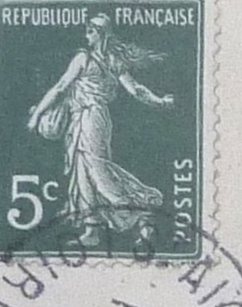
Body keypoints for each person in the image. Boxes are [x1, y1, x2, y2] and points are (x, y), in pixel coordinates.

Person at [25, 16, 175, 249]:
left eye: (90, 31)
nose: (87, 36)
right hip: (89, 118)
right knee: (82, 171)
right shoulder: (111, 60)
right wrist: (160, 101)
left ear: (100, 33)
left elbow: (61, 87)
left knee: (97, 170)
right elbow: (136, 90)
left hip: (90, 118)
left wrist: (36, 116)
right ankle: (92, 229)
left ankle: (142, 215)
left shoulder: (84, 58)